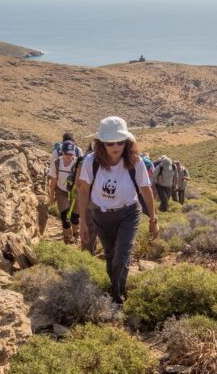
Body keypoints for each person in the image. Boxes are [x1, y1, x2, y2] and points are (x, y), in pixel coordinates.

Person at [78, 116, 158, 304]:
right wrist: (82, 222)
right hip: (101, 215)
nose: (116, 147)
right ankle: (116, 287)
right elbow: (83, 191)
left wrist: (153, 219)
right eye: (110, 143)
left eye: (120, 142)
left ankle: (117, 300)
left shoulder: (135, 162)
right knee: (110, 255)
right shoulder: (91, 161)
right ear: (101, 143)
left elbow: (146, 190)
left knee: (122, 255)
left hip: (128, 213)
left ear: (127, 142)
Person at [48, 140, 80, 244]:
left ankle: (76, 233)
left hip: (75, 192)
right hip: (61, 191)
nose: (69, 156)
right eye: (67, 153)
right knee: (65, 215)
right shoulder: (57, 163)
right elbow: (53, 180)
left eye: (71, 154)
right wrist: (51, 195)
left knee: (75, 216)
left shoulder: (78, 164)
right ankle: (67, 238)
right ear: (62, 152)